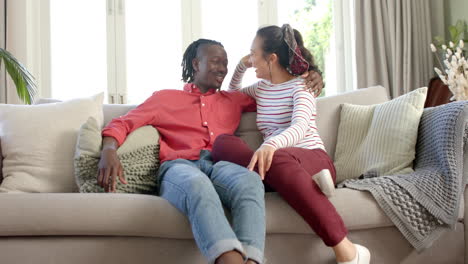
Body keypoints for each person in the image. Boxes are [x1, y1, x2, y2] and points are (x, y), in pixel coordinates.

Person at [95, 38, 322, 264]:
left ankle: (252, 260)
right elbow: (122, 123)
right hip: (179, 167)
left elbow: (277, 90)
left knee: (251, 181)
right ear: (196, 64)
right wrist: (108, 151)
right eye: (215, 62)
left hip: (220, 166)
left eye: (225, 63)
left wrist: (313, 76)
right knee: (197, 184)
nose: (222, 68)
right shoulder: (164, 98)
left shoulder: (234, 100)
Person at [211, 25, 371, 264]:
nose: (251, 59)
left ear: (272, 58)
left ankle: (348, 249)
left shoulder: (301, 86)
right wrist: (242, 65)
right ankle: (302, 183)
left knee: (276, 158)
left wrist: (270, 146)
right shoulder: (261, 88)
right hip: (277, 162)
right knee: (223, 143)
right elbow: (231, 94)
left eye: (254, 54)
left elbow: (299, 127)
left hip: (311, 156)